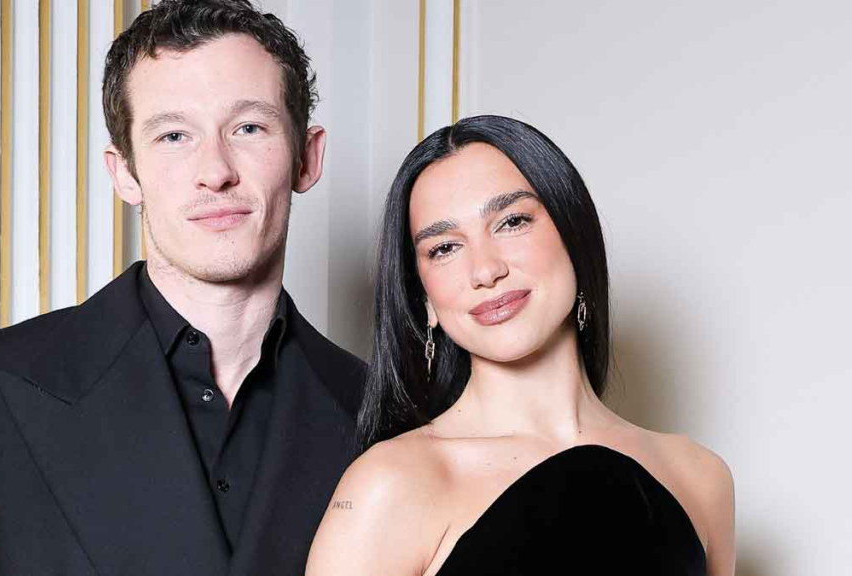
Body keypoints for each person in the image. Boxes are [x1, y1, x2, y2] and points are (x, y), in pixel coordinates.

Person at [0, 1, 364, 574]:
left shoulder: (378, 411)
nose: (215, 171)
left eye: (248, 128)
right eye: (174, 135)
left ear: (306, 157)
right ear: (124, 172)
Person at [306, 115, 735, 575]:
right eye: (444, 248)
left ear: (573, 235)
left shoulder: (700, 477)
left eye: (511, 222)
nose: (485, 271)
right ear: (424, 298)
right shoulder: (389, 485)